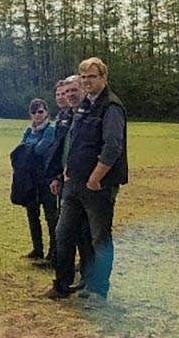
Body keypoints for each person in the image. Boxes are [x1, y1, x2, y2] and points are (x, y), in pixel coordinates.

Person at [46, 57, 127, 306]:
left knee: (99, 238)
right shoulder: (85, 106)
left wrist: (96, 177)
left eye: (92, 76)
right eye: (84, 77)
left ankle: (98, 290)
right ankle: (62, 284)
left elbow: (113, 146)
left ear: (103, 77)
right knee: (64, 233)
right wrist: (65, 172)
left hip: (97, 186)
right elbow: (75, 143)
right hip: (73, 184)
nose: (87, 81)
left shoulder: (111, 107)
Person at [44, 76, 92, 283]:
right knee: (64, 231)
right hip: (66, 181)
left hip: (87, 182)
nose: (66, 96)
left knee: (86, 233)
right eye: (63, 93)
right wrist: (55, 175)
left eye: (71, 91)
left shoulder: (89, 115)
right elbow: (59, 149)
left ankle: (88, 280)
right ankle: (63, 281)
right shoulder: (65, 118)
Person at [11, 98, 58, 262]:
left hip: (45, 177)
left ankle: (54, 251)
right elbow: (24, 148)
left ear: (46, 112)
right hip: (29, 179)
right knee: (32, 213)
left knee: (51, 215)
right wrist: (29, 148)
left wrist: (27, 149)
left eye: (40, 111)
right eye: (34, 112)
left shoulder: (50, 130)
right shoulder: (28, 130)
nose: (37, 115)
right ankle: (37, 249)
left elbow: (41, 149)